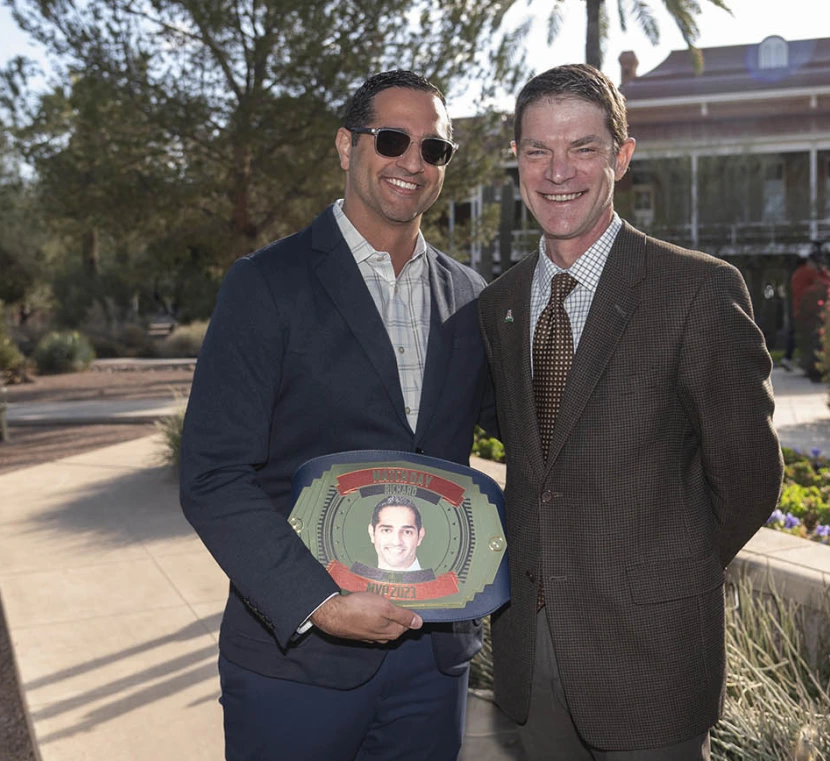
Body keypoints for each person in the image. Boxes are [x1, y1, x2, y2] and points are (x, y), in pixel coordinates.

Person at [180, 70, 494, 761]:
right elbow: (212, 474)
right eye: (392, 139)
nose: (413, 161)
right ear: (346, 146)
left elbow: (533, 432)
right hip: (295, 664)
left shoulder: (471, 297)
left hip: (433, 661)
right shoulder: (265, 285)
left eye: (434, 149)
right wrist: (318, 601)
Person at [477, 64, 784, 760]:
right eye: (537, 151)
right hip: (532, 655)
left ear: (621, 156)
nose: (558, 171)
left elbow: (748, 482)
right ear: (517, 161)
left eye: (582, 147)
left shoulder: (697, 292)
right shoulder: (498, 303)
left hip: (650, 657)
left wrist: (659, 573)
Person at [781, 245, 830, 373]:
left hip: (799, 308)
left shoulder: (797, 274)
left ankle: (789, 357)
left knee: (796, 334)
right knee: (811, 336)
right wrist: (823, 270)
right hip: (809, 310)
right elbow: (825, 282)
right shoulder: (809, 272)